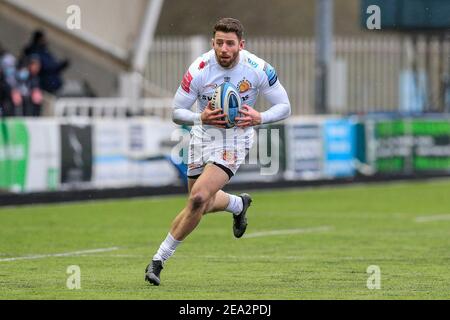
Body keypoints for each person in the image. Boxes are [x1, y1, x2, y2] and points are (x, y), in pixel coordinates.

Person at [144, 18, 291, 286]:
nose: (224, 48)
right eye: (219, 43)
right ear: (213, 43)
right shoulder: (199, 69)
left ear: (240, 45)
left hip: (236, 140)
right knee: (202, 202)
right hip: (203, 136)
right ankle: (237, 204)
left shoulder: (258, 68)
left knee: (198, 198)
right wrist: (201, 118)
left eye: (230, 43)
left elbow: (284, 106)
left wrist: (260, 116)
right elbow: (176, 113)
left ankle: (158, 261)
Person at [22, 30, 70, 95]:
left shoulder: (44, 51)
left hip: (51, 86)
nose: (45, 40)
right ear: (39, 39)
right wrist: (61, 65)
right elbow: (48, 67)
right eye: (43, 39)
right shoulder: (35, 52)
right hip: (44, 87)